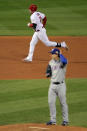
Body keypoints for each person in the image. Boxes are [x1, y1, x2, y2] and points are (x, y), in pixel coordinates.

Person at [46, 48, 69, 126]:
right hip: (52, 85)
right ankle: (53, 121)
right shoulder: (50, 62)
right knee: (51, 102)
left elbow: (65, 61)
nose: (51, 55)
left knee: (63, 103)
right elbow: (47, 73)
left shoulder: (63, 62)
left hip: (61, 86)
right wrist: (49, 74)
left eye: (52, 53)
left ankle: (65, 120)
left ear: (57, 54)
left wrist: (60, 54)